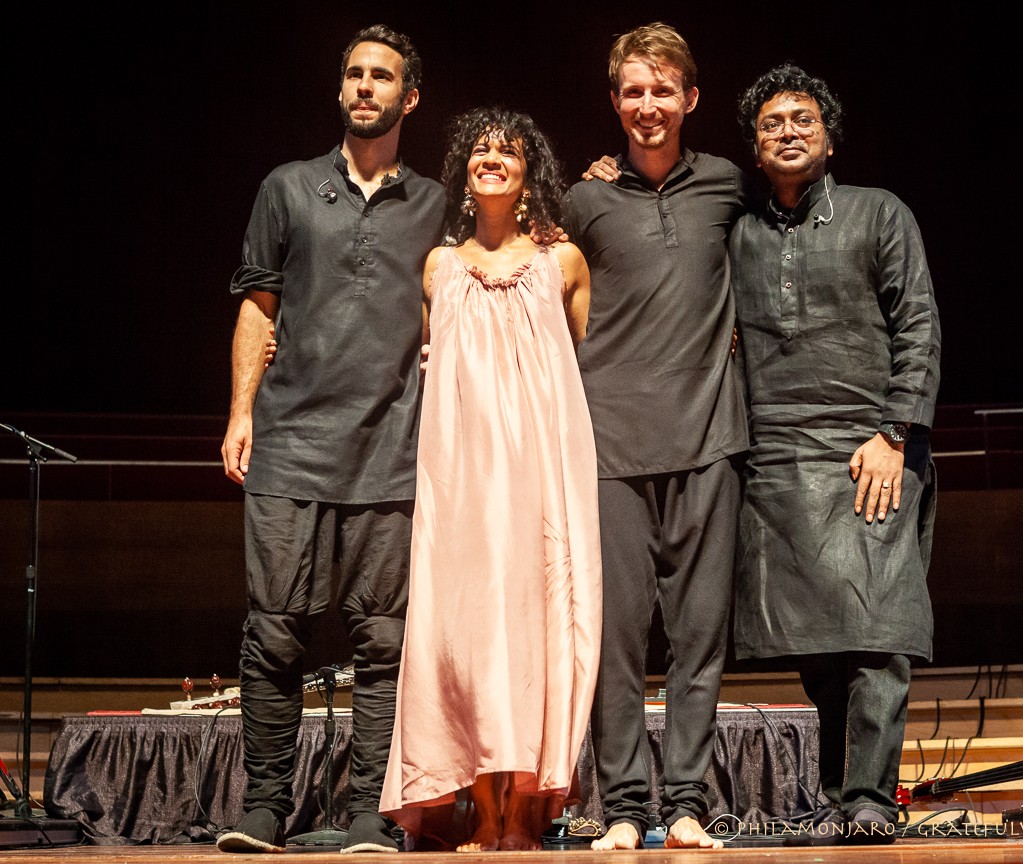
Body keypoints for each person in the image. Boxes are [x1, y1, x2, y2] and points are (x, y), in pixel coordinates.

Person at [216, 25, 447, 855]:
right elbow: (257, 306)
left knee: (383, 641)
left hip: (392, 449)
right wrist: (242, 411)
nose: (363, 86)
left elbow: (511, 243)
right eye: (353, 73)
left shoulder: (435, 201)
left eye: (381, 76)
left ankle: (368, 814)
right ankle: (266, 808)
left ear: (408, 97)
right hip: (290, 444)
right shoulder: (287, 187)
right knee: (272, 631)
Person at [377, 106, 601, 853]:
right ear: (465, 173)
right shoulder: (439, 266)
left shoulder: (562, 262)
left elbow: (578, 361)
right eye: (479, 149)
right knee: (466, 631)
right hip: (462, 476)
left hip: (539, 470)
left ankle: (525, 813)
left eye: (508, 150)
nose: (491, 158)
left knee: (534, 627)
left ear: (530, 169)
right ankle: (480, 806)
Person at [729, 63, 941, 846]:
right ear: (755, 147)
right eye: (773, 123)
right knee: (816, 643)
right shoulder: (740, 230)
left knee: (877, 634)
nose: (789, 131)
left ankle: (871, 798)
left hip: (870, 447)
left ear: (828, 136)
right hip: (779, 456)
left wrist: (894, 436)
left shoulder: (878, 214)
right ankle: (833, 795)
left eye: (803, 120)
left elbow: (918, 325)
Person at [561, 22, 751, 851]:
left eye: (662, 90)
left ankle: (685, 804)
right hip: (608, 449)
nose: (648, 106)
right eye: (633, 92)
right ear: (614, 102)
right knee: (617, 642)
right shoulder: (584, 200)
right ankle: (626, 808)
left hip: (710, 442)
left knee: (700, 640)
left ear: (691, 98)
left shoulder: (727, 186)